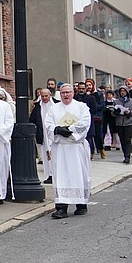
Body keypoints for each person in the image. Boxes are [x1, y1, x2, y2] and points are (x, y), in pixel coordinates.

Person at [43, 83, 92, 219]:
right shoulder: (54, 109)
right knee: (61, 176)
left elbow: (85, 123)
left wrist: (69, 130)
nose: (66, 95)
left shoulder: (81, 107)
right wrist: (57, 130)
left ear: (73, 93)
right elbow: (48, 124)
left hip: (76, 147)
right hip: (61, 148)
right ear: (60, 93)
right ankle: (61, 207)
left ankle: (81, 204)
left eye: (68, 92)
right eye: (63, 92)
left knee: (79, 174)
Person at [112, 86, 132, 164]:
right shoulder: (116, 101)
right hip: (119, 123)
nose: (122, 92)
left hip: (129, 123)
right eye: (121, 91)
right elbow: (112, 112)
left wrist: (130, 112)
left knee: (127, 139)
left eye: (124, 91)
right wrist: (115, 112)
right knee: (122, 140)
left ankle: (127, 156)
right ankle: (125, 154)